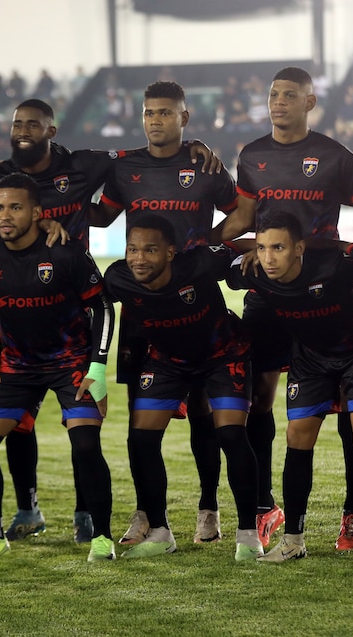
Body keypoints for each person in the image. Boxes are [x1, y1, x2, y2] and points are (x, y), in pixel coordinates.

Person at [0, 98, 219, 544]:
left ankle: (87, 517)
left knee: (87, 437)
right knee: (18, 423)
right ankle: (26, 509)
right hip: (21, 333)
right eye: (17, 123)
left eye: (33, 124)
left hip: (73, 323)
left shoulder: (83, 165)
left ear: (51, 130)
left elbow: (141, 152)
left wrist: (189, 143)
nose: (23, 131)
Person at [214, 66, 353, 549]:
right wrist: (198, 249)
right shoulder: (253, 154)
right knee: (259, 397)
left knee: (347, 406)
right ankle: (264, 506)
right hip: (269, 294)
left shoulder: (334, 157)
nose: (278, 103)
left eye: (289, 95)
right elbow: (241, 214)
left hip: (326, 295)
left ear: (310, 102)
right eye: (273, 95)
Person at [90, 81, 238, 546]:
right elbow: (100, 218)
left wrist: (205, 249)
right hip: (142, 307)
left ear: (184, 118)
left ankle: (208, 508)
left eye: (165, 113)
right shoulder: (126, 168)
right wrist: (55, 215)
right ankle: (147, 515)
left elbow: (241, 214)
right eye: (149, 112)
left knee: (202, 415)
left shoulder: (205, 166)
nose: (155, 120)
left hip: (197, 306)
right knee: (141, 417)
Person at [0, 173, 115, 563]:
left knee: (85, 445)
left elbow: (102, 307)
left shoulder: (65, 251)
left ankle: (101, 536)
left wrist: (96, 367)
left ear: (37, 212)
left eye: (15, 207)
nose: (4, 216)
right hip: (16, 366)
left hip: (70, 363)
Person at [226, 213, 353, 565]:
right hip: (311, 358)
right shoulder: (253, 272)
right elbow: (209, 257)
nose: (269, 258)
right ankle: (293, 540)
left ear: (300, 248)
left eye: (279, 248)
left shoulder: (337, 266)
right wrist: (241, 250)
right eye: (263, 248)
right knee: (297, 437)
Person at [103, 215, 262, 561]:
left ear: (171, 252)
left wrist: (261, 251)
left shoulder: (201, 262)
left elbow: (239, 246)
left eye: (150, 250)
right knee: (141, 438)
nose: (139, 258)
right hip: (167, 361)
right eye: (132, 249)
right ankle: (160, 531)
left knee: (232, 435)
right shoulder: (118, 277)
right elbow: (90, 302)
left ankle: (248, 534)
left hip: (223, 354)